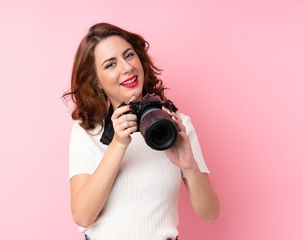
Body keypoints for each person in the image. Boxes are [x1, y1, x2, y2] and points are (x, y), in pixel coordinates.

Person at [63, 22, 220, 240]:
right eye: (110, 65)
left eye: (129, 55)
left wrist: (190, 167)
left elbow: (210, 213)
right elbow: (83, 216)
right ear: (95, 81)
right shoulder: (87, 132)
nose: (127, 67)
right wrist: (118, 143)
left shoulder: (176, 124)